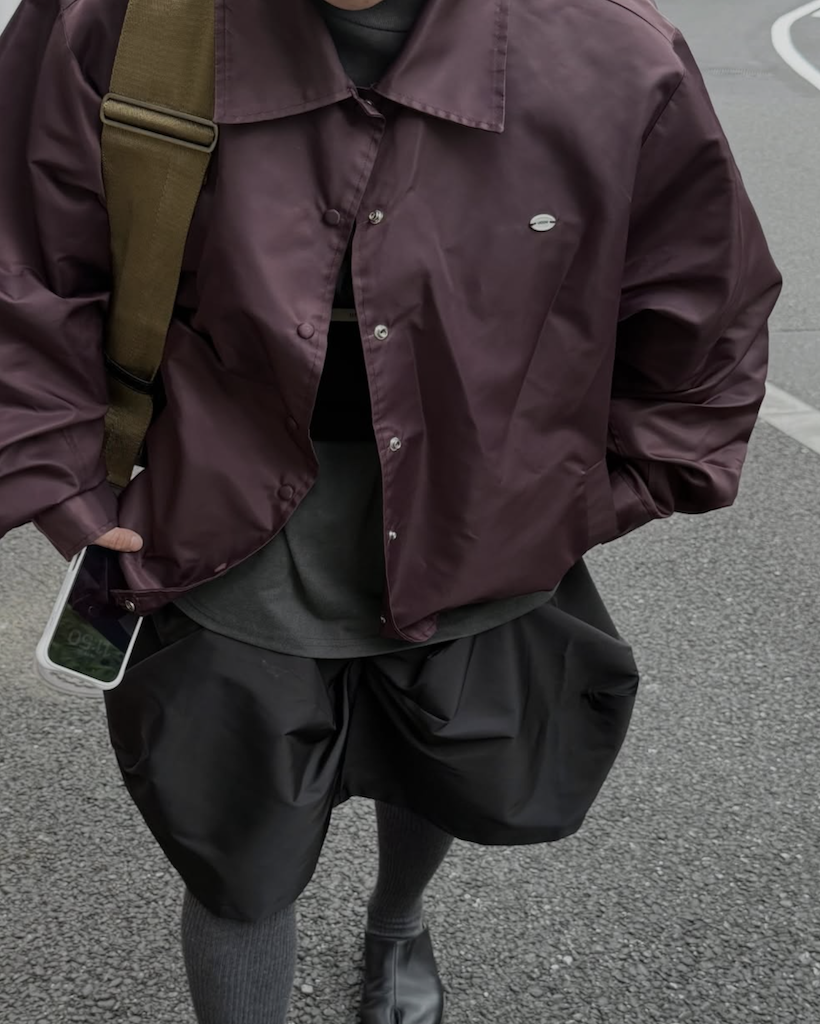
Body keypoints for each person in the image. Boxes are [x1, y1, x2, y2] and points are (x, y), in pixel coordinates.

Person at [0, 0, 781, 1021]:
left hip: (483, 510)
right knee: (234, 844)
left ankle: (398, 920)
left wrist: (581, 501)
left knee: (436, 756)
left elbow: (703, 319)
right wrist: (66, 486)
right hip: (210, 504)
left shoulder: (612, 54)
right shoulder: (117, 20)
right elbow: (22, 259)